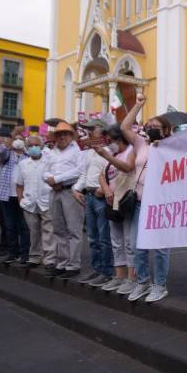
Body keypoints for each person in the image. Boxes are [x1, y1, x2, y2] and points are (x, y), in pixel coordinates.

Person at [119, 94, 172, 303]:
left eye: (156, 126)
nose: (150, 127)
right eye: (149, 124)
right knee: (136, 244)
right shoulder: (141, 143)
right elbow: (124, 127)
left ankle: (160, 285)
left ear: (166, 130)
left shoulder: (174, 145)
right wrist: (138, 105)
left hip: (162, 204)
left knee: (159, 248)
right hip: (141, 203)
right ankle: (142, 282)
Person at [43, 121, 86, 279]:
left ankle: (73, 264)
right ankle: (62, 263)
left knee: (73, 230)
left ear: (70, 135)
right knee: (58, 229)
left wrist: (57, 179)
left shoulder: (77, 151)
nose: (62, 137)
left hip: (70, 191)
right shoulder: (51, 152)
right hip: (55, 192)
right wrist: (51, 181)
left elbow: (79, 171)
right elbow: (44, 172)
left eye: (65, 134)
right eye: (59, 134)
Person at [74, 118, 113, 287]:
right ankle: (97, 268)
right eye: (88, 130)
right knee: (92, 236)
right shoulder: (90, 152)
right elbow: (84, 174)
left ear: (103, 132)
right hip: (89, 196)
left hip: (100, 197)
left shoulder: (109, 151)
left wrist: (103, 189)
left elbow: (113, 174)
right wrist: (76, 189)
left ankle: (107, 271)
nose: (89, 132)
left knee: (104, 237)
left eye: (93, 129)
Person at [97, 124, 137, 292]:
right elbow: (101, 174)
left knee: (129, 241)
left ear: (120, 139)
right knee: (116, 241)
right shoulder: (113, 154)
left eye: (111, 140)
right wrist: (106, 189)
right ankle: (119, 276)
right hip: (112, 202)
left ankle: (132, 278)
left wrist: (107, 155)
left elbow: (128, 167)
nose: (109, 143)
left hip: (126, 201)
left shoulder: (131, 151)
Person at [16, 135, 54, 268]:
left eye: (36, 145)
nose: (33, 148)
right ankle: (35, 257)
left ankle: (49, 260)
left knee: (49, 232)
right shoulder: (22, 164)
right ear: (26, 148)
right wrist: (21, 200)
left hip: (46, 201)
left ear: (41, 146)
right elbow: (19, 184)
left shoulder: (50, 161)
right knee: (34, 232)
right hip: (29, 202)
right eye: (30, 145)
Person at [0, 128, 31, 265]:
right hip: (6, 195)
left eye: (20, 139)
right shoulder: (6, 154)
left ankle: (24, 253)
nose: (17, 141)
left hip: (22, 196)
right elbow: (1, 155)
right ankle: (12, 252)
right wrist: (11, 137)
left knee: (24, 226)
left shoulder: (28, 155)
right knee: (10, 226)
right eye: (15, 139)